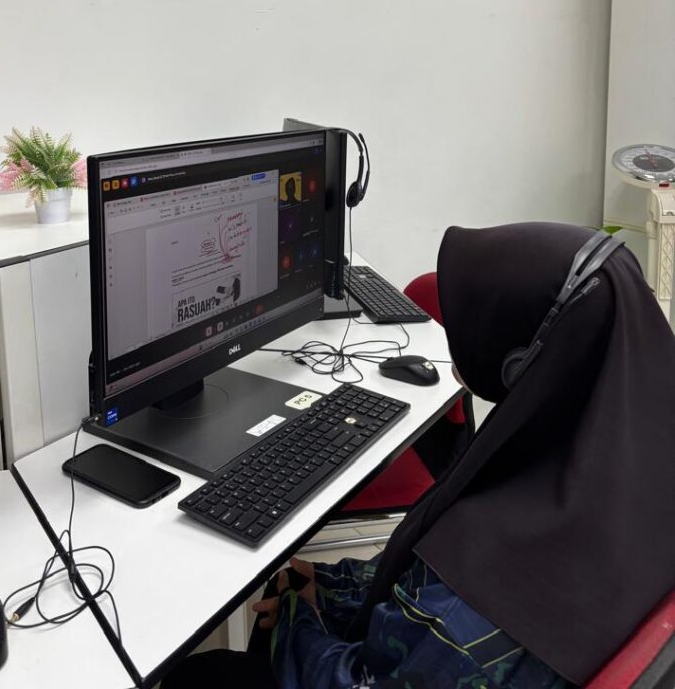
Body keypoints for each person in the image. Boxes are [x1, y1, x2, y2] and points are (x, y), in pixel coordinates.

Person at [163, 222, 675, 688]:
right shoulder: (623, 466)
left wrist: (296, 620)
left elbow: (363, 680)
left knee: (197, 676)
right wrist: (331, 586)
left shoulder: (482, 588)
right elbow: (421, 599)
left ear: (521, 362)